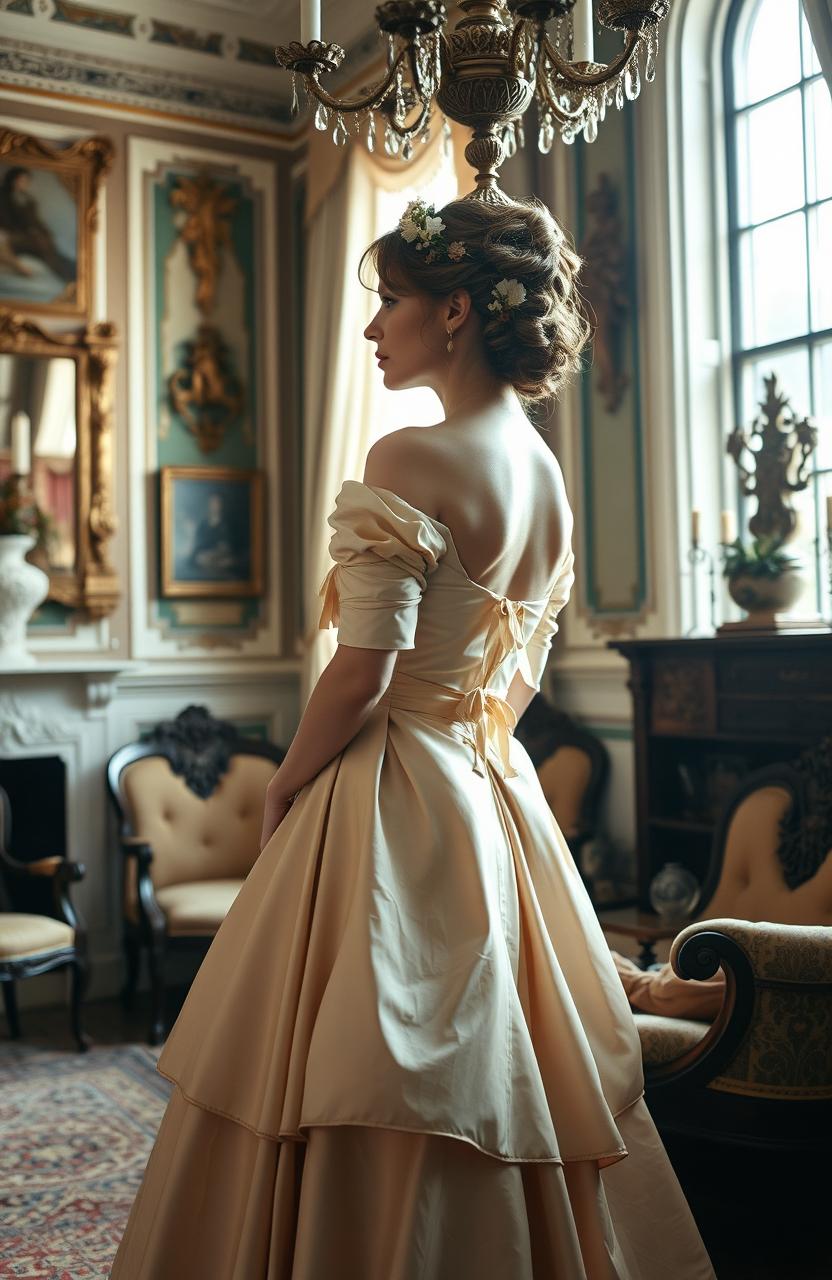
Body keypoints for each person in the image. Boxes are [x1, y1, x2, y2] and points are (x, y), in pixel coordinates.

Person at [110, 195, 717, 1279]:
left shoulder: (410, 457)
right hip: (490, 784)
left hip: (392, 785)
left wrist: (286, 783)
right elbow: (512, 682)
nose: (371, 325)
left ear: (453, 313)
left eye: (388, 300)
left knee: (361, 1063)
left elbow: (365, 667)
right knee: (491, 1055)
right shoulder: (547, 475)